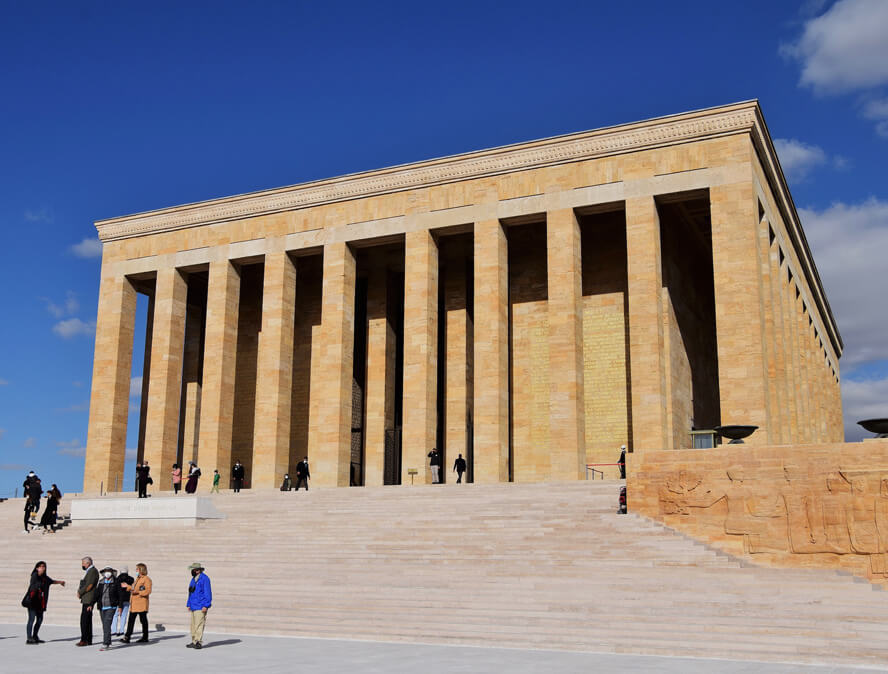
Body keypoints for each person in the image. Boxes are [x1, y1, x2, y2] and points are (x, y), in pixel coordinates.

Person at [23, 561, 65, 644]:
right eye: (40, 566)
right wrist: (39, 584)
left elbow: (52, 581)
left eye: (44, 566)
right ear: (37, 568)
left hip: (40, 602)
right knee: (31, 619)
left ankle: (35, 636)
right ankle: (29, 638)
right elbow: (33, 586)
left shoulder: (45, 578)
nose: (42, 568)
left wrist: (60, 582)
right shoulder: (35, 576)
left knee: (39, 620)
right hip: (33, 601)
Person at [121, 563, 151, 643]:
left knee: (143, 620)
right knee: (131, 621)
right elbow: (133, 588)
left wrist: (137, 592)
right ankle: (127, 637)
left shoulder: (146, 579)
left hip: (141, 604)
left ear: (141, 570)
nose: (136, 571)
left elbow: (147, 591)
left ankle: (145, 637)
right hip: (134, 604)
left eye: (137, 569)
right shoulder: (137, 579)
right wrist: (127, 586)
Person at [186, 562, 212, 649]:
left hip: (200, 605)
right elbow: (190, 592)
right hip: (193, 605)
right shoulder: (193, 579)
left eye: (193, 570)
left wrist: (206, 605)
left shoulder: (204, 579)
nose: (192, 571)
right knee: (193, 625)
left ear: (198, 570)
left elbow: (207, 593)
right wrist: (189, 604)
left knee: (199, 624)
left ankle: (198, 642)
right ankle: (194, 640)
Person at [76, 556, 98, 646]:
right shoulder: (89, 571)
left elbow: (90, 585)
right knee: (87, 620)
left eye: (83, 563)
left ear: (88, 563)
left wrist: (80, 592)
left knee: (84, 620)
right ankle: (88, 639)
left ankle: (84, 639)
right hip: (86, 598)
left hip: (88, 598)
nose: (82, 565)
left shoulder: (92, 571)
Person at [96, 566, 120, 651]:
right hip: (102, 606)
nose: (107, 573)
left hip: (111, 606)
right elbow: (97, 594)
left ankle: (105, 643)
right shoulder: (101, 582)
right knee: (105, 625)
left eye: (109, 571)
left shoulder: (116, 582)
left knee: (106, 623)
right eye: (106, 571)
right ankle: (108, 641)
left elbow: (119, 594)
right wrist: (91, 604)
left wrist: (120, 606)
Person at [112, 565, 133, 637]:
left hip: (118, 599)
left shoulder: (117, 579)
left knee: (115, 615)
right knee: (124, 615)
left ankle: (114, 630)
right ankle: (121, 630)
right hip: (127, 599)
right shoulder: (131, 579)